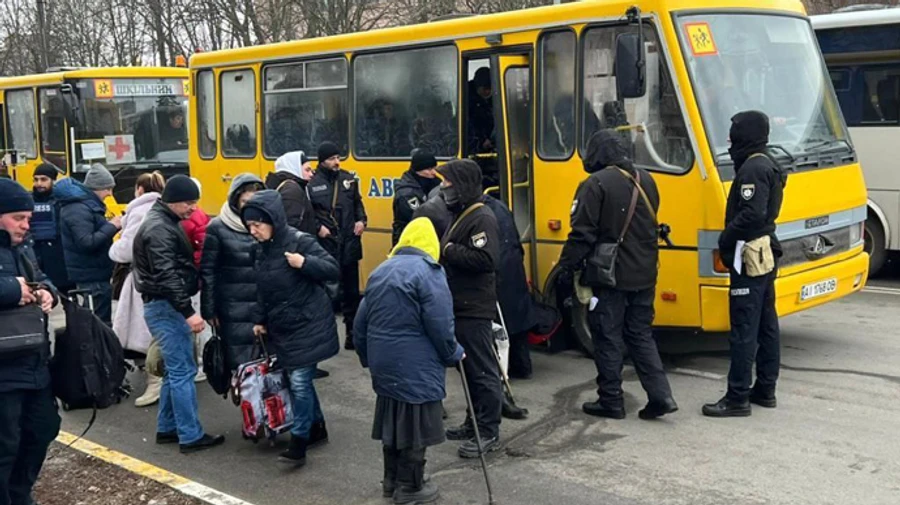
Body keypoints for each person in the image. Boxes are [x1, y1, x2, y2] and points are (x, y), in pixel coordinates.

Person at [558, 129, 677, 421]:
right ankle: (661, 395)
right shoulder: (647, 179)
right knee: (640, 335)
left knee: (607, 336)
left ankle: (611, 400)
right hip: (646, 272)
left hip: (610, 275)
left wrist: (566, 267)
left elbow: (582, 234)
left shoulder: (594, 184)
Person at [354, 217, 464, 504]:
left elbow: (359, 325)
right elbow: (441, 324)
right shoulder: (429, 273)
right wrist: (453, 353)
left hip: (384, 364)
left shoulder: (380, 271)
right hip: (416, 365)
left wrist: (369, 359)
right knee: (416, 426)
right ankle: (411, 487)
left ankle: (390, 482)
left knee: (392, 421)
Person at [242, 190, 340, 467]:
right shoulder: (258, 250)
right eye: (249, 226)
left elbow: (332, 269)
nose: (253, 231)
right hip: (282, 327)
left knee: (298, 382)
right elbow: (262, 290)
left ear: (272, 220)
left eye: (257, 224)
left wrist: (304, 263)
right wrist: (259, 320)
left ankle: (299, 442)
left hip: (309, 324)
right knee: (299, 382)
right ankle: (317, 428)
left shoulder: (300, 242)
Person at [133, 175, 224, 453]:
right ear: (173, 201)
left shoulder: (160, 222)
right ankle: (190, 435)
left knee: (175, 372)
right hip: (167, 307)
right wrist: (188, 312)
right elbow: (166, 274)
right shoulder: (160, 229)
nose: (193, 209)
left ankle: (168, 428)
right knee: (183, 371)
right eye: (189, 203)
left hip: (163, 305)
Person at [703, 111, 785, 418]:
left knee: (743, 328)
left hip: (749, 254)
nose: (730, 139)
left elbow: (751, 214)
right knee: (766, 324)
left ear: (746, 135)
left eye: (734, 132)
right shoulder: (769, 162)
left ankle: (737, 396)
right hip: (765, 253)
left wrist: (726, 238)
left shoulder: (752, 168)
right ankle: (765, 389)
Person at [436, 159, 503, 458]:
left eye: (447, 182)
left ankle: (488, 431)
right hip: (460, 304)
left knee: (482, 371)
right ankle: (473, 422)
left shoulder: (482, 217)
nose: (443, 187)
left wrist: (449, 250)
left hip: (474, 306)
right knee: (468, 370)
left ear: (461, 184)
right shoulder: (461, 212)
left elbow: (486, 259)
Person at [0, 179, 60, 505]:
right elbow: (13, 285)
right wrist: (13, 289)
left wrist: (48, 292)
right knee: (5, 445)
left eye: (28, 218)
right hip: (3, 370)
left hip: (33, 361)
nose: (26, 224)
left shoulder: (24, 246)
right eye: (18, 218)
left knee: (42, 430)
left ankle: (20, 495)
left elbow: (42, 277)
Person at [109, 171, 166, 407]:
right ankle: (155, 377)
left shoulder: (139, 211)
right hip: (155, 276)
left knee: (144, 329)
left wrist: (113, 249)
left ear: (139, 190)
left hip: (140, 279)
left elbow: (126, 249)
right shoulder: (160, 208)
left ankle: (155, 381)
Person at [200, 173, 265, 372]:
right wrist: (209, 310)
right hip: (232, 308)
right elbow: (208, 271)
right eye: (245, 201)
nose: (249, 207)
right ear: (236, 200)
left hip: (263, 306)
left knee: (268, 368)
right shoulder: (218, 228)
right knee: (242, 367)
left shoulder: (268, 225)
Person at [309, 141, 367, 351]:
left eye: (338, 158)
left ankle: (352, 334)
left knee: (352, 293)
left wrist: (362, 221)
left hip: (349, 242)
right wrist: (318, 228)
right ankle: (325, 337)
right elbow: (309, 212)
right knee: (327, 294)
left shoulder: (348, 179)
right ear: (322, 161)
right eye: (332, 158)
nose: (337, 162)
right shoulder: (312, 183)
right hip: (327, 245)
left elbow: (358, 204)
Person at [56, 163, 122, 326]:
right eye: (108, 189)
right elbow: (87, 242)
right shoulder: (78, 209)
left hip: (94, 273)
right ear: (97, 188)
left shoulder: (83, 206)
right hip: (91, 276)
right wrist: (112, 226)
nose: (109, 194)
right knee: (98, 324)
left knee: (98, 322)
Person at [481, 195, 536, 380]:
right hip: (513, 268)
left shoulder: (481, 213)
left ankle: (501, 370)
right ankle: (522, 366)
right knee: (517, 322)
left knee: (499, 325)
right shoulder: (500, 206)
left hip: (498, 272)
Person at [181, 178, 211, 383]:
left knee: (199, 323)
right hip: (194, 276)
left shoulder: (193, 218)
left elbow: (201, 252)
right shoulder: (198, 216)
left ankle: (204, 362)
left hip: (194, 278)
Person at [30, 162, 72, 293]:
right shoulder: (28, 201)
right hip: (36, 254)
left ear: (53, 180)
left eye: (44, 179)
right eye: (36, 179)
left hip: (59, 256)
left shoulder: (62, 201)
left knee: (69, 298)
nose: (39, 184)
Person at [392, 150, 441, 246]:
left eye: (435, 168)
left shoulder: (434, 183)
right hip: (409, 242)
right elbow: (419, 218)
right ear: (418, 170)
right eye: (429, 169)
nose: (434, 172)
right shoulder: (406, 194)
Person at [266, 151, 318, 235]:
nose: (311, 174)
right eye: (307, 170)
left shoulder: (290, 187)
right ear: (295, 169)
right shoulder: (292, 191)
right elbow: (292, 226)